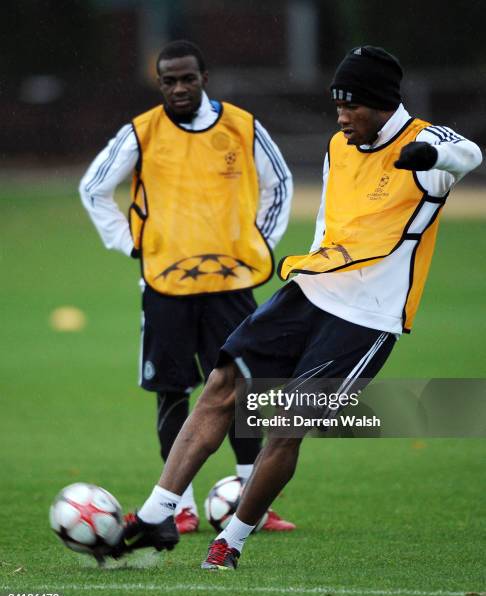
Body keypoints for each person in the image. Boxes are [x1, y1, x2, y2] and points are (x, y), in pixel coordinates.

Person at [112, 46, 482, 566]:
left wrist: (430, 158)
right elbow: (331, 223)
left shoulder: (424, 144)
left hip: (367, 316)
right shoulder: (339, 144)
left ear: (379, 103)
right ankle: (156, 515)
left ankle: (231, 541)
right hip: (308, 290)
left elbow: (469, 153)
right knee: (222, 383)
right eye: (337, 105)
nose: (341, 117)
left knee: (287, 423)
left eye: (350, 106)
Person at [79, 40, 295, 534]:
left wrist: (258, 244)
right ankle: (181, 509)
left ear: (204, 77)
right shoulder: (141, 132)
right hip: (165, 286)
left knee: (246, 387)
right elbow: (93, 187)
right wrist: (132, 244)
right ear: (159, 84)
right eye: (168, 81)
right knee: (173, 390)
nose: (179, 88)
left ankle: (252, 504)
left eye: (187, 79)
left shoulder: (242, 126)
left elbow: (279, 183)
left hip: (232, 283)